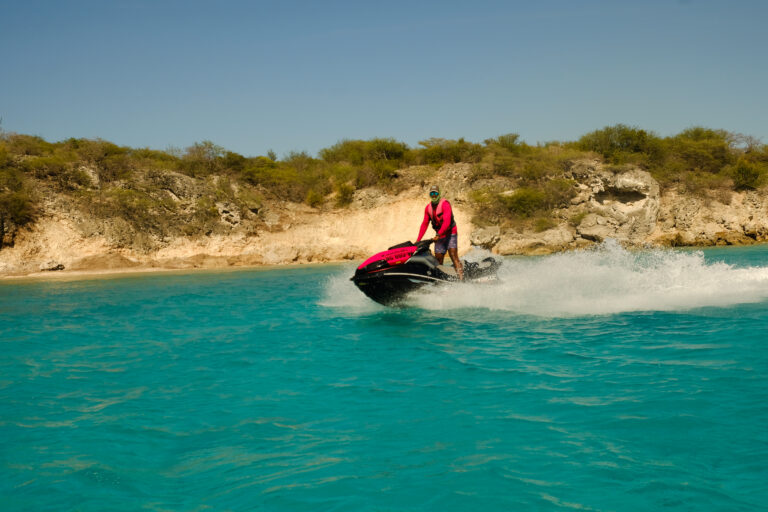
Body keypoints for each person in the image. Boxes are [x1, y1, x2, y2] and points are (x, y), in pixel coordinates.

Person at [416, 185, 464, 280]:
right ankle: (441, 281)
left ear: (439, 193)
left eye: (436, 193)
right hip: (440, 236)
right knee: (438, 259)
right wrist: (418, 240)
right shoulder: (428, 208)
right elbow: (424, 224)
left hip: (450, 233)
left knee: (453, 255)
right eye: (432, 193)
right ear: (430, 195)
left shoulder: (445, 204)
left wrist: (438, 234)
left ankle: (462, 279)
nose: (434, 195)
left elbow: (446, 222)